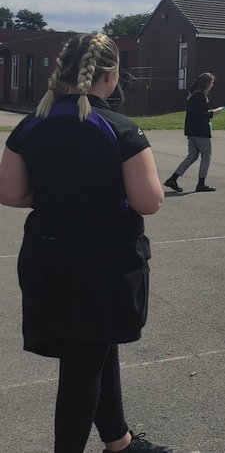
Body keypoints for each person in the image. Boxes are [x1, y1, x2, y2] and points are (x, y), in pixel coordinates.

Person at [0, 33, 171, 453]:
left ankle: (120, 442)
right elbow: (149, 201)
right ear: (109, 75)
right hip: (103, 261)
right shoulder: (121, 128)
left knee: (92, 347)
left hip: (46, 254)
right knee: (82, 367)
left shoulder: (31, 123)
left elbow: (11, 193)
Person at [162, 73, 223, 193]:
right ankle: (201, 183)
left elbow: (196, 113)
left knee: (192, 156)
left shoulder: (194, 95)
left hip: (191, 131)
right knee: (206, 155)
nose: (212, 85)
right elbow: (200, 114)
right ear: (206, 83)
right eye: (211, 82)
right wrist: (214, 112)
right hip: (200, 131)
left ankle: (173, 179)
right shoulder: (199, 96)